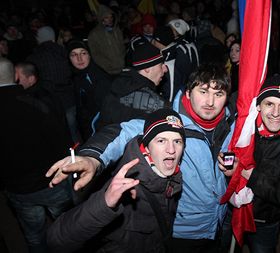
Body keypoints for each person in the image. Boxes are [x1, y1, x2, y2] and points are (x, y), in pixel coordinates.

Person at [46, 64, 236, 252]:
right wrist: (93, 158)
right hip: (184, 231)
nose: (210, 102)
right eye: (203, 91)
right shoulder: (169, 121)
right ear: (188, 93)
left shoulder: (232, 124)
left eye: (218, 94)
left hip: (219, 222)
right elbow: (122, 132)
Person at [47, 108, 185, 253]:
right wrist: (104, 204)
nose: (171, 150)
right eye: (161, 140)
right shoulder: (124, 186)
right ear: (147, 147)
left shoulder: (172, 179)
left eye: (177, 141)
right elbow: (55, 240)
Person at [218, 75, 280, 252]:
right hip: (230, 208)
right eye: (269, 104)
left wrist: (245, 173)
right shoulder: (244, 128)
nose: (275, 113)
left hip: (265, 221)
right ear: (258, 105)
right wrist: (226, 167)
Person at [0, 57, 73, 253]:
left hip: (18, 189)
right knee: (67, 230)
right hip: (51, 182)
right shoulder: (36, 105)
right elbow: (61, 142)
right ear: (15, 76)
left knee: (34, 236)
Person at [97, 40, 169, 128]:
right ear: (147, 68)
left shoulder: (121, 83)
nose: (165, 69)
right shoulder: (152, 102)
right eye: (161, 65)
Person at [66, 38, 112, 141]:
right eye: (74, 55)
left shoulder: (100, 78)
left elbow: (104, 113)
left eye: (83, 53)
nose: (79, 59)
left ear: (90, 55)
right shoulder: (77, 76)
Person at [87, 4, 126, 75]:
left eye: (111, 17)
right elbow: (95, 54)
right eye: (106, 17)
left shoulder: (117, 30)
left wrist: (123, 60)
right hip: (107, 72)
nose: (110, 19)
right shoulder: (94, 34)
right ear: (101, 18)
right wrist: (107, 65)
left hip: (122, 68)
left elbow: (122, 47)